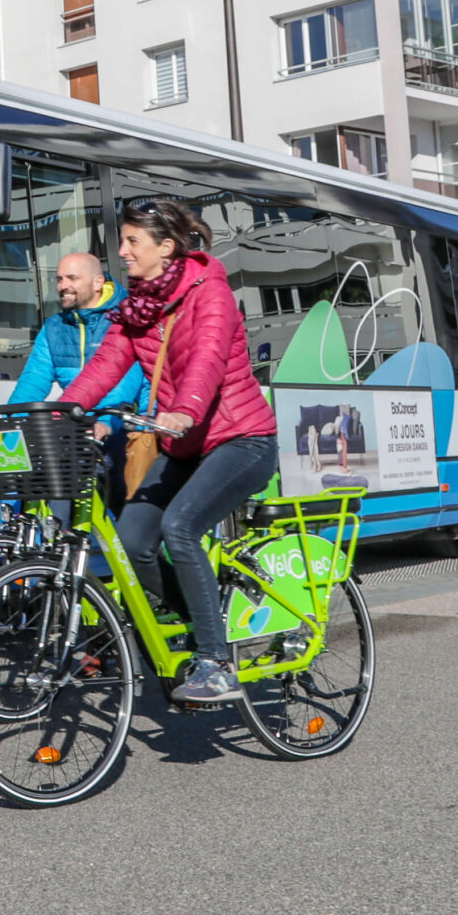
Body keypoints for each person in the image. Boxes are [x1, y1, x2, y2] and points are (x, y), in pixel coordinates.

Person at [61, 195, 278, 706]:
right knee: (133, 537)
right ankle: (187, 624)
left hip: (241, 440)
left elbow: (207, 356)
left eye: (133, 241)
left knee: (179, 527)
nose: (123, 251)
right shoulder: (138, 307)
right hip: (185, 447)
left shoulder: (211, 292)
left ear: (167, 246)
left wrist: (187, 407)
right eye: (123, 241)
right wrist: (54, 413)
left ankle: (217, 662)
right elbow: (102, 369)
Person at [9, 251, 150, 510]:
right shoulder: (54, 328)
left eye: (72, 278)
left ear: (98, 282)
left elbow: (122, 384)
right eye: (59, 279)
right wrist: (7, 426)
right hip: (78, 427)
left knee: (127, 518)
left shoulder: (124, 318)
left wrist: (106, 422)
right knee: (53, 502)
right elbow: (32, 383)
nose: (63, 286)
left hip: (128, 425)